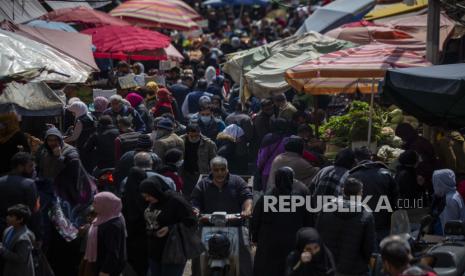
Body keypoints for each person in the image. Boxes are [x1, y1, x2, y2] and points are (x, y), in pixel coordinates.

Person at [191, 156, 253, 276]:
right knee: (197, 253)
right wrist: (195, 210)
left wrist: (247, 209)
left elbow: (247, 197)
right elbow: (195, 201)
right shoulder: (203, 184)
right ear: (211, 170)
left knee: (244, 252)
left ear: (227, 169)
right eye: (216, 170)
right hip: (207, 225)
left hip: (234, 225)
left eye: (222, 169)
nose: (220, 173)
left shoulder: (237, 181)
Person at [252, 167, 311, 276]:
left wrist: (255, 238)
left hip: (268, 244)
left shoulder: (266, 197)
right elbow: (308, 221)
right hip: (291, 244)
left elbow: (255, 220)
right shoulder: (300, 199)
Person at [316, 178, 376, 276]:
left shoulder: (326, 208)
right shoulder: (366, 214)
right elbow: (369, 246)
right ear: (360, 193)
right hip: (355, 268)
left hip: (329, 265)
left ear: (343, 190)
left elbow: (317, 235)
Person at [140, 177, 197, 276]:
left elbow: (191, 222)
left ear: (156, 191)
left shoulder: (175, 201)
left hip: (173, 252)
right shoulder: (153, 203)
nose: (147, 199)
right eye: (144, 196)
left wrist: (170, 228)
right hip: (154, 252)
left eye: (149, 195)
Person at [349, 146, 398, 243]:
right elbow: (396, 199)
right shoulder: (386, 173)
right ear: (371, 157)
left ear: (355, 159)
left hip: (360, 222)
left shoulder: (352, 176)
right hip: (384, 222)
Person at [82, 192, 127, 276]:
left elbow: (113, 252)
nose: (93, 205)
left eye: (96, 202)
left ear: (105, 205)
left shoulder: (112, 225)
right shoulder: (105, 217)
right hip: (100, 264)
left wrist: (105, 271)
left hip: (107, 270)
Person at [0, 153, 39, 235]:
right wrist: (38, 235)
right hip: (22, 232)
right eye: (30, 166)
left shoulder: (1, 181)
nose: (33, 169)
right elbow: (34, 212)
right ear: (20, 167)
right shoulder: (29, 184)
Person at [395, 123, 436, 194]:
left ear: (406, 134)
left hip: (424, 179)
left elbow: (423, 163)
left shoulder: (418, 145)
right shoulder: (416, 141)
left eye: (402, 137)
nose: (402, 139)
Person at [180, 123, 217, 198]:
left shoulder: (209, 144)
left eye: (196, 136)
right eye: (191, 136)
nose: (194, 138)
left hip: (201, 173)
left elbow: (214, 160)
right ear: (187, 134)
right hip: (185, 174)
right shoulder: (180, 141)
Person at [0, 204, 35, 276]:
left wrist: (2, 250)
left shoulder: (24, 239)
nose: (7, 217)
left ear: (20, 220)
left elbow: (21, 258)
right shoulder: (9, 229)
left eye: (11, 216)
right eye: (8, 215)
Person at [256, 118, 290, 191]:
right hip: (285, 172)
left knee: (268, 196)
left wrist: (259, 168)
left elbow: (262, 157)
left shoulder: (268, 138)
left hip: (268, 172)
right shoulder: (289, 139)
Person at [64, 101, 96, 171]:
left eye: (73, 112)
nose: (72, 114)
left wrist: (63, 141)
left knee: (84, 167)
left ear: (77, 111)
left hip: (83, 146)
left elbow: (74, 137)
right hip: (92, 145)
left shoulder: (80, 121)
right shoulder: (90, 116)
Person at [431, 169, 465, 234]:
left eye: (436, 183)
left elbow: (450, 228)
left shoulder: (449, 200)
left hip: (453, 241)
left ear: (441, 183)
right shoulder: (454, 194)